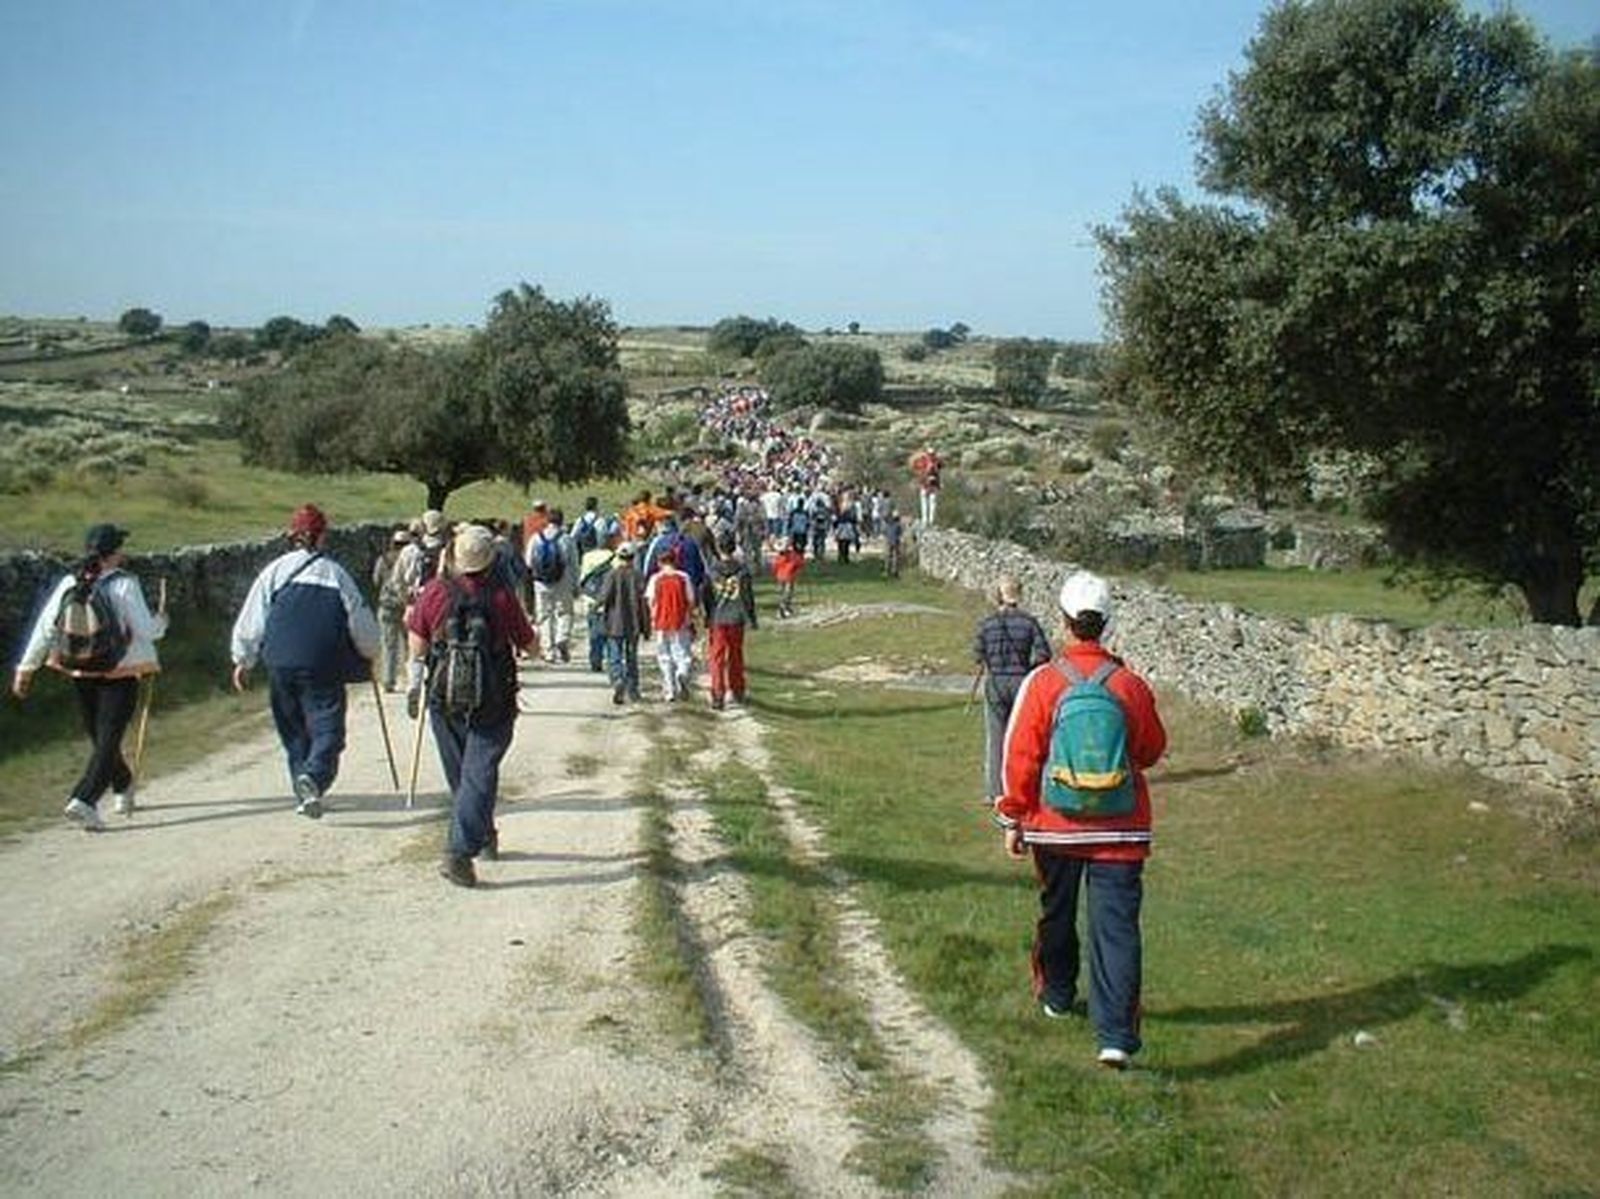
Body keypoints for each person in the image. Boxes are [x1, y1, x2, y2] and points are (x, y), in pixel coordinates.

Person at [994, 571, 1167, 1070]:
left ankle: (1058, 991)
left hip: (1055, 824)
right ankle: (1114, 1036)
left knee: (1057, 910)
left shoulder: (1045, 682)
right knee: (1116, 929)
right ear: (1105, 624)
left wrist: (1013, 817)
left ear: (1065, 622)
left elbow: (1021, 755)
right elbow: (1152, 749)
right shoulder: (1129, 685)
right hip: (1121, 828)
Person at [11, 523, 168, 830]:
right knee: (108, 740)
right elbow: (146, 630)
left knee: (101, 738)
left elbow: (46, 627)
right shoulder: (125, 583)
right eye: (121, 546)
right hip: (120, 671)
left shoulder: (71, 581)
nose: (124, 551)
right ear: (114, 552)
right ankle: (84, 800)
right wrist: (161, 621)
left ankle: (123, 787)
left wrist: (26, 668)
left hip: (80, 668)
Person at [406, 524, 537, 887]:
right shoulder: (500, 596)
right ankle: (460, 851)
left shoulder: (434, 592)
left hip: (444, 697)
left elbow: (416, 644)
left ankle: (483, 835)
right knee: (478, 772)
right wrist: (536, 647)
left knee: (464, 774)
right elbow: (527, 642)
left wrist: (414, 684)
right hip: (492, 697)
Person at [230, 504, 380, 818]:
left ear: (292, 536)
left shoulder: (274, 572)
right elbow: (360, 621)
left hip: (280, 661)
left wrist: (243, 659)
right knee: (327, 726)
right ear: (322, 536)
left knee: (293, 726)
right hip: (322, 662)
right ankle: (312, 777)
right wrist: (370, 653)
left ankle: (303, 786)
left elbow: (253, 617)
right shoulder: (336, 574)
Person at [972, 575, 1052, 804]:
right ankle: (1025, 786)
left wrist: (990, 658)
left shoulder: (987, 623)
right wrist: (1029, 670)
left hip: (996, 682)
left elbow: (977, 655)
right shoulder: (1029, 622)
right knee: (1024, 737)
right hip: (1021, 682)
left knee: (995, 738)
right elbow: (1044, 654)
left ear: (999, 594)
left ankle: (994, 792)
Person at [706, 534, 758, 709]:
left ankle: (718, 694)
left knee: (717, 657)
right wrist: (752, 618)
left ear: (718, 548)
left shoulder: (712, 571)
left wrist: (706, 616)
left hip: (718, 617)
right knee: (736, 655)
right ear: (734, 548)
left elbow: (706, 595)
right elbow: (747, 596)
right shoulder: (742, 571)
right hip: (737, 617)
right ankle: (737, 690)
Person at [594, 540, 648, 704]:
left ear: (618, 556)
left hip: (614, 622)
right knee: (632, 656)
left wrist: (595, 607)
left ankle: (618, 680)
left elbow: (604, 597)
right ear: (633, 557)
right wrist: (646, 626)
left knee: (615, 655)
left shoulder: (612, 574)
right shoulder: (638, 575)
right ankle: (633, 689)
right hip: (633, 622)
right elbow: (644, 601)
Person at [526, 507, 578, 663]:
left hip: (541, 582)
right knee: (565, 613)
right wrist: (575, 584)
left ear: (547, 521)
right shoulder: (567, 539)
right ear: (561, 521)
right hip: (563, 580)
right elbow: (574, 564)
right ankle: (562, 638)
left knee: (544, 615)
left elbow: (528, 562)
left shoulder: (536, 538)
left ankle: (548, 650)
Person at [645, 545, 696, 701]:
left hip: (661, 620)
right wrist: (691, 616)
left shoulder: (656, 578)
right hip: (680, 620)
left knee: (664, 656)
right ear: (675, 561)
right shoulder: (684, 577)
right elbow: (691, 600)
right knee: (683, 654)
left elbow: (650, 600)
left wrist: (652, 617)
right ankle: (682, 674)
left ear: (660, 562)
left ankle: (670, 690)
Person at [372, 527, 412, 691]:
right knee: (410, 645)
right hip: (406, 604)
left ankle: (388, 681)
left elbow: (376, 580)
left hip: (387, 605)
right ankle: (411, 680)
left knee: (389, 645)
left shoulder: (383, 560)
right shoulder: (409, 559)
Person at [771, 538, 806, 618]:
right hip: (784, 577)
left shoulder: (789, 555)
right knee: (786, 593)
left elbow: (799, 563)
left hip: (787, 577)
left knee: (786, 593)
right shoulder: (783, 556)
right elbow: (799, 563)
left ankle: (785, 607)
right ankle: (783, 608)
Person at [911, 445, 943, 526]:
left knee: (930, 502)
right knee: (928, 502)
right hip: (926, 484)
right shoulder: (929, 461)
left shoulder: (929, 461)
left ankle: (929, 520)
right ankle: (927, 520)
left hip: (930, 485)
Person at [883, 506, 904, 579]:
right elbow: (900, 533)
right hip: (895, 541)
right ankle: (894, 571)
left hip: (889, 540)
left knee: (888, 556)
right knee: (895, 557)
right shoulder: (898, 524)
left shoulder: (888, 523)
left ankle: (887, 570)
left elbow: (885, 532)